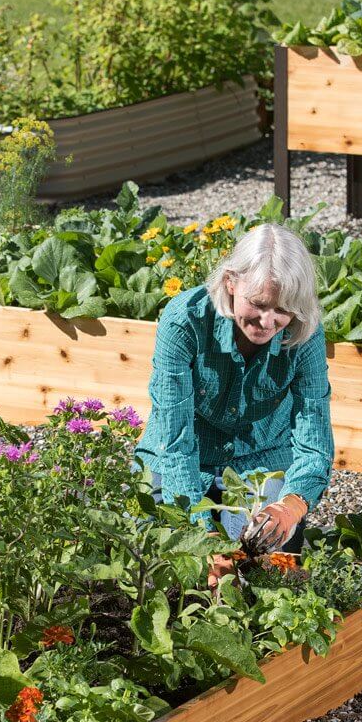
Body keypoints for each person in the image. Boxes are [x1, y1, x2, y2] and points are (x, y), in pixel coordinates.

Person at [135, 222, 333, 587]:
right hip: (180, 458)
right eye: (257, 304)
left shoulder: (305, 333)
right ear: (231, 282)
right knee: (160, 566)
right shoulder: (185, 321)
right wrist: (202, 537)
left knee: (262, 560)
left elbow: (314, 438)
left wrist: (290, 505)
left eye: (282, 310)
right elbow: (175, 439)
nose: (268, 321)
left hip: (259, 461)